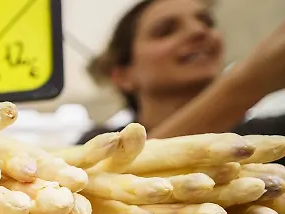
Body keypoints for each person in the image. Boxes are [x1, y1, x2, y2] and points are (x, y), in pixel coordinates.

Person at [80, 0, 285, 143]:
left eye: (207, 22)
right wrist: (247, 84)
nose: (199, 31)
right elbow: (117, 181)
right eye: (166, 31)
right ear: (122, 75)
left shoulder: (273, 135)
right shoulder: (100, 144)